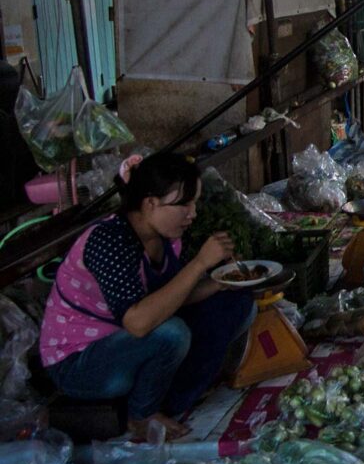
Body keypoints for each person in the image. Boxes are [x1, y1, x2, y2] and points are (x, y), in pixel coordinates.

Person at [39, 153, 255, 438]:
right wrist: (200, 264)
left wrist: (218, 284)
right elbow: (138, 322)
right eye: (182, 205)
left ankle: (176, 396)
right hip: (81, 363)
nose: (192, 213)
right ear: (150, 203)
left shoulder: (166, 238)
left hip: (130, 345)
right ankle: (141, 416)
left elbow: (168, 298)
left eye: (194, 203)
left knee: (236, 303)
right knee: (172, 334)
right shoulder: (109, 241)